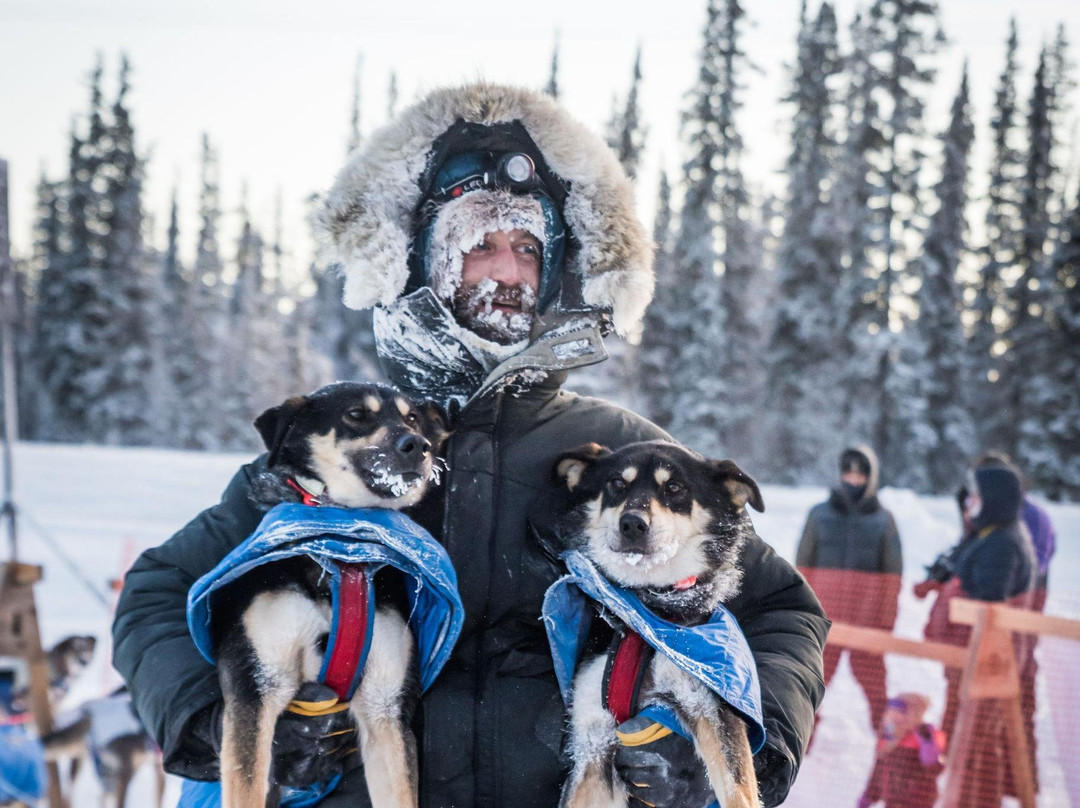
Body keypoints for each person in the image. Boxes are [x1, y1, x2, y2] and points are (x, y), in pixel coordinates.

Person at [112, 83, 829, 808]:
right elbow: (156, 594)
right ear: (424, 259)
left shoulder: (616, 455)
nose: (510, 272)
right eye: (479, 245)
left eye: (526, 247)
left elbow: (783, 610)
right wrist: (215, 725)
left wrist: (736, 752)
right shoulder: (340, 450)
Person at [917, 461, 1035, 808]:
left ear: (994, 499)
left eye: (977, 496)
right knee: (965, 742)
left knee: (973, 748)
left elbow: (989, 607)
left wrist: (956, 593)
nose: (970, 502)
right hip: (966, 660)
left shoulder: (1004, 543)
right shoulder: (988, 534)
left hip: (984, 663)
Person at [796, 445, 902, 733]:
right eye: (849, 474)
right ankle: (799, 739)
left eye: (860, 476)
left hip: (866, 620)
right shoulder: (819, 515)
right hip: (825, 619)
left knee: (874, 684)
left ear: (871, 479)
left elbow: (892, 575)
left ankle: (886, 738)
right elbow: (802, 567)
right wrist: (801, 613)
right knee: (812, 680)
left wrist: (886, 620)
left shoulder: (883, 520)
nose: (853, 481)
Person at [856, 693, 946, 808]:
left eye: (900, 711)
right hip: (893, 801)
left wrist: (928, 746)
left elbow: (935, 769)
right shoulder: (889, 737)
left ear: (913, 715)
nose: (893, 715)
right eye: (891, 710)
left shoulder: (922, 735)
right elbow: (879, 770)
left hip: (917, 802)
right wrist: (869, 795)